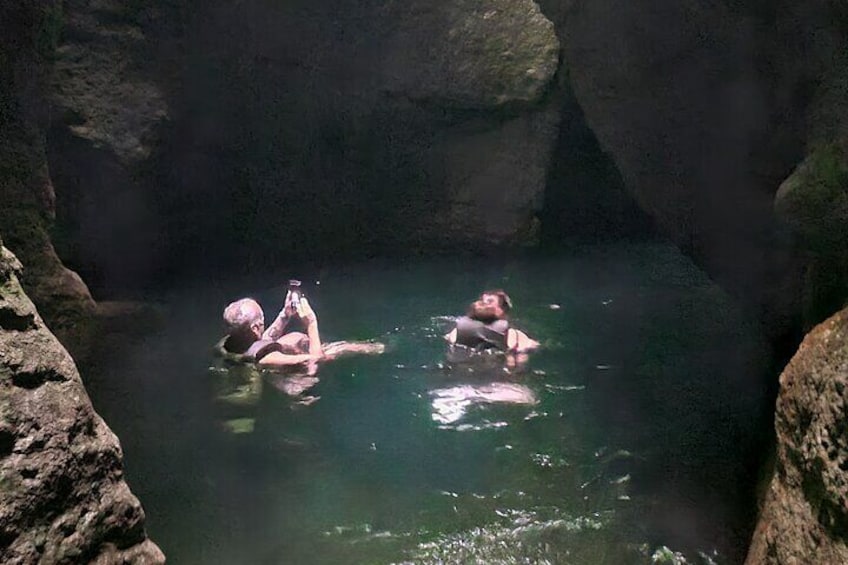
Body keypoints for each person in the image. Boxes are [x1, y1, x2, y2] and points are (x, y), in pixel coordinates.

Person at [219, 290, 384, 368]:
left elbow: (259, 341)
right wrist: (311, 323)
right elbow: (315, 360)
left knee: (294, 338)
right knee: (335, 350)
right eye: (262, 321)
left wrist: (285, 314)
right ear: (255, 328)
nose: (264, 324)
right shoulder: (269, 359)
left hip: (258, 356)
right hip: (294, 378)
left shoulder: (231, 343)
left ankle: (368, 348)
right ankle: (378, 349)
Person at [444, 289, 538, 353]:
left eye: (489, 302)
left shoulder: (457, 330)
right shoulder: (514, 335)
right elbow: (532, 346)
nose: (485, 305)